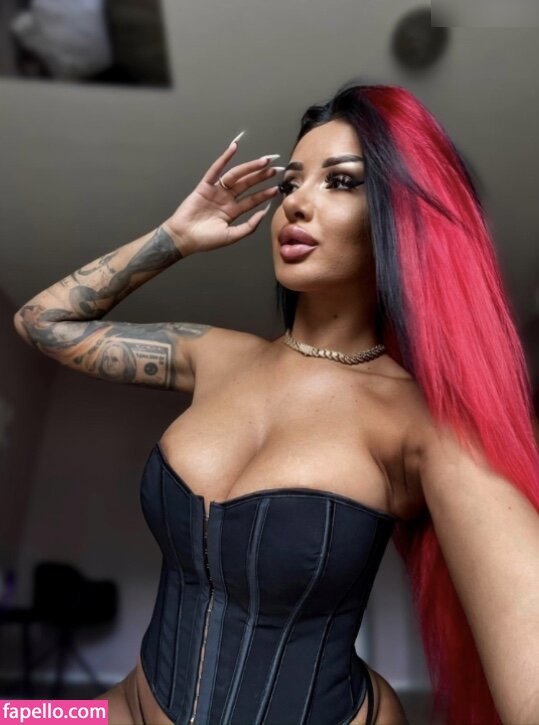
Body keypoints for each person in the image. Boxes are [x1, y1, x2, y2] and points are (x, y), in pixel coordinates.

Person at [13, 81, 539, 725]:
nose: (297, 202)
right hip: (123, 707)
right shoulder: (216, 356)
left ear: (401, 216)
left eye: (340, 182)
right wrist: (175, 236)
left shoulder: (423, 428)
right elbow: (42, 323)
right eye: (291, 183)